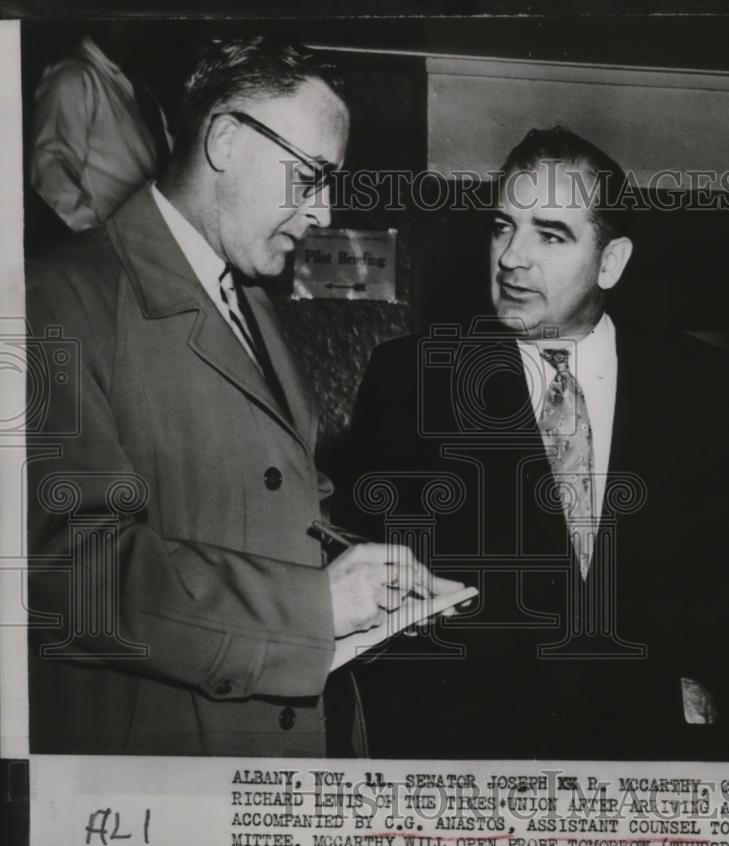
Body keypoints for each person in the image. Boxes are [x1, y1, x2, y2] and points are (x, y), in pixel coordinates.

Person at [26, 36, 462, 757]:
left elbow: (274, 510)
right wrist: (312, 605)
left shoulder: (252, 304)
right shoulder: (52, 299)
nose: (323, 213)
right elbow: (72, 570)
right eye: (312, 176)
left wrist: (365, 575)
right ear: (225, 139)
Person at [336, 127, 729, 760]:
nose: (510, 258)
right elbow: (378, 593)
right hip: (470, 763)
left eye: (550, 234)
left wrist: (702, 685)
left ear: (611, 261)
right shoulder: (411, 378)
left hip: (647, 757)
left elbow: (719, 567)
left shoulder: (694, 382)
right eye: (504, 226)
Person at [30, 24, 172, 232]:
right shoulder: (73, 76)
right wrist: (98, 245)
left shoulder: (141, 91)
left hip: (145, 247)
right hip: (109, 253)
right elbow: (51, 174)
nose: (134, 24)